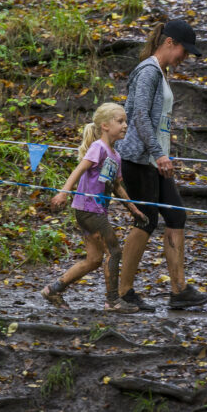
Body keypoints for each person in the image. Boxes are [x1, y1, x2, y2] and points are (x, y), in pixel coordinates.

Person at [115, 19, 207, 310]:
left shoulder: (161, 72)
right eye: (184, 50)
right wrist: (158, 153)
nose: (185, 57)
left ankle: (179, 291)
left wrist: (162, 154)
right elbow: (139, 116)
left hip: (155, 159)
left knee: (176, 215)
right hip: (139, 158)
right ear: (169, 42)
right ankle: (123, 293)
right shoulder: (148, 71)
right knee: (146, 221)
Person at [45, 103, 149, 313]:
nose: (125, 125)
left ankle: (53, 290)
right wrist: (64, 192)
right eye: (120, 121)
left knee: (93, 260)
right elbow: (79, 170)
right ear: (105, 126)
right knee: (114, 251)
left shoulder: (115, 155)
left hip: (95, 210)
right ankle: (113, 301)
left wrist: (134, 210)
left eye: (126, 121)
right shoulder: (98, 148)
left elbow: (116, 186)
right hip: (88, 209)